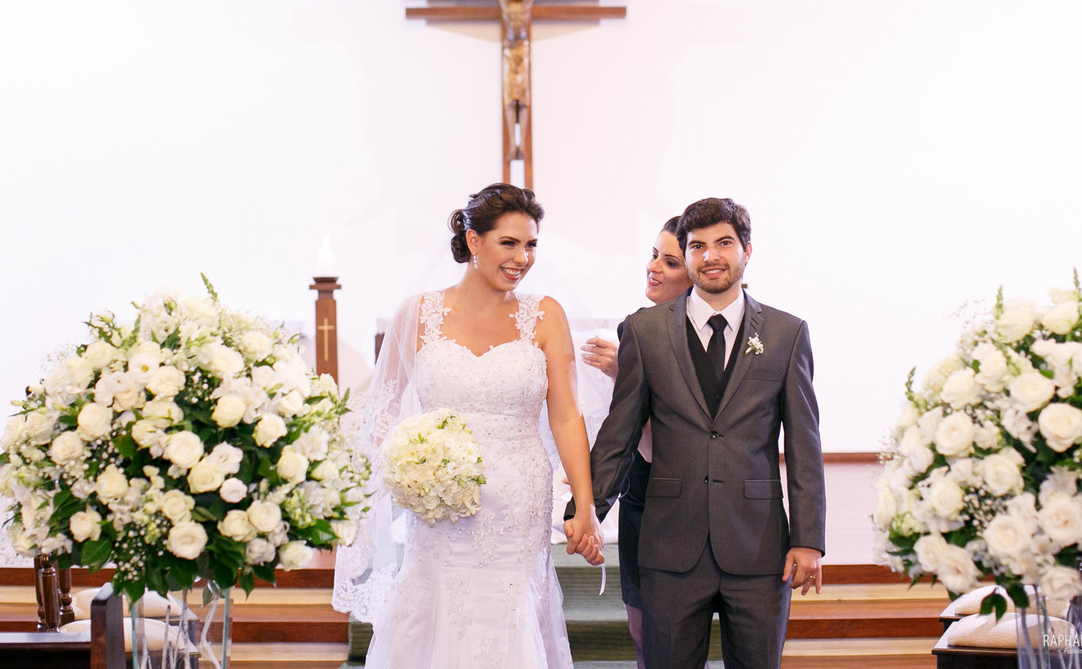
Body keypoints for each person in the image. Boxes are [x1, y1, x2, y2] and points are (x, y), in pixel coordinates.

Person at [333, 183, 604, 669]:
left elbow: (566, 415)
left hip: (518, 506)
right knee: (435, 603)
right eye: (509, 243)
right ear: (474, 240)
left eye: (531, 245)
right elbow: (382, 415)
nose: (523, 258)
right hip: (437, 506)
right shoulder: (416, 314)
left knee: (511, 611)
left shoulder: (545, 315)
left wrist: (584, 504)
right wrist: (400, 470)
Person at [568, 197, 826, 669]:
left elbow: (804, 444)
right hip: (670, 545)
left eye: (724, 243)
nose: (711, 256)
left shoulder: (787, 333)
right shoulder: (644, 331)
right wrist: (586, 510)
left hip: (758, 545)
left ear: (747, 250)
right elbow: (619, 435)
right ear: (687, 256)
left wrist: (808, 538)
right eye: (697, 246)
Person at [579, 216, 694, 669]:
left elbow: (660, 445)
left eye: (670, 262)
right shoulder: (637, 328)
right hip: (640, 498)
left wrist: (624, 376)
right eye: (654, 255)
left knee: (673, 639)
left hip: (683, 502)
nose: (654, 267)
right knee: (642, 631)